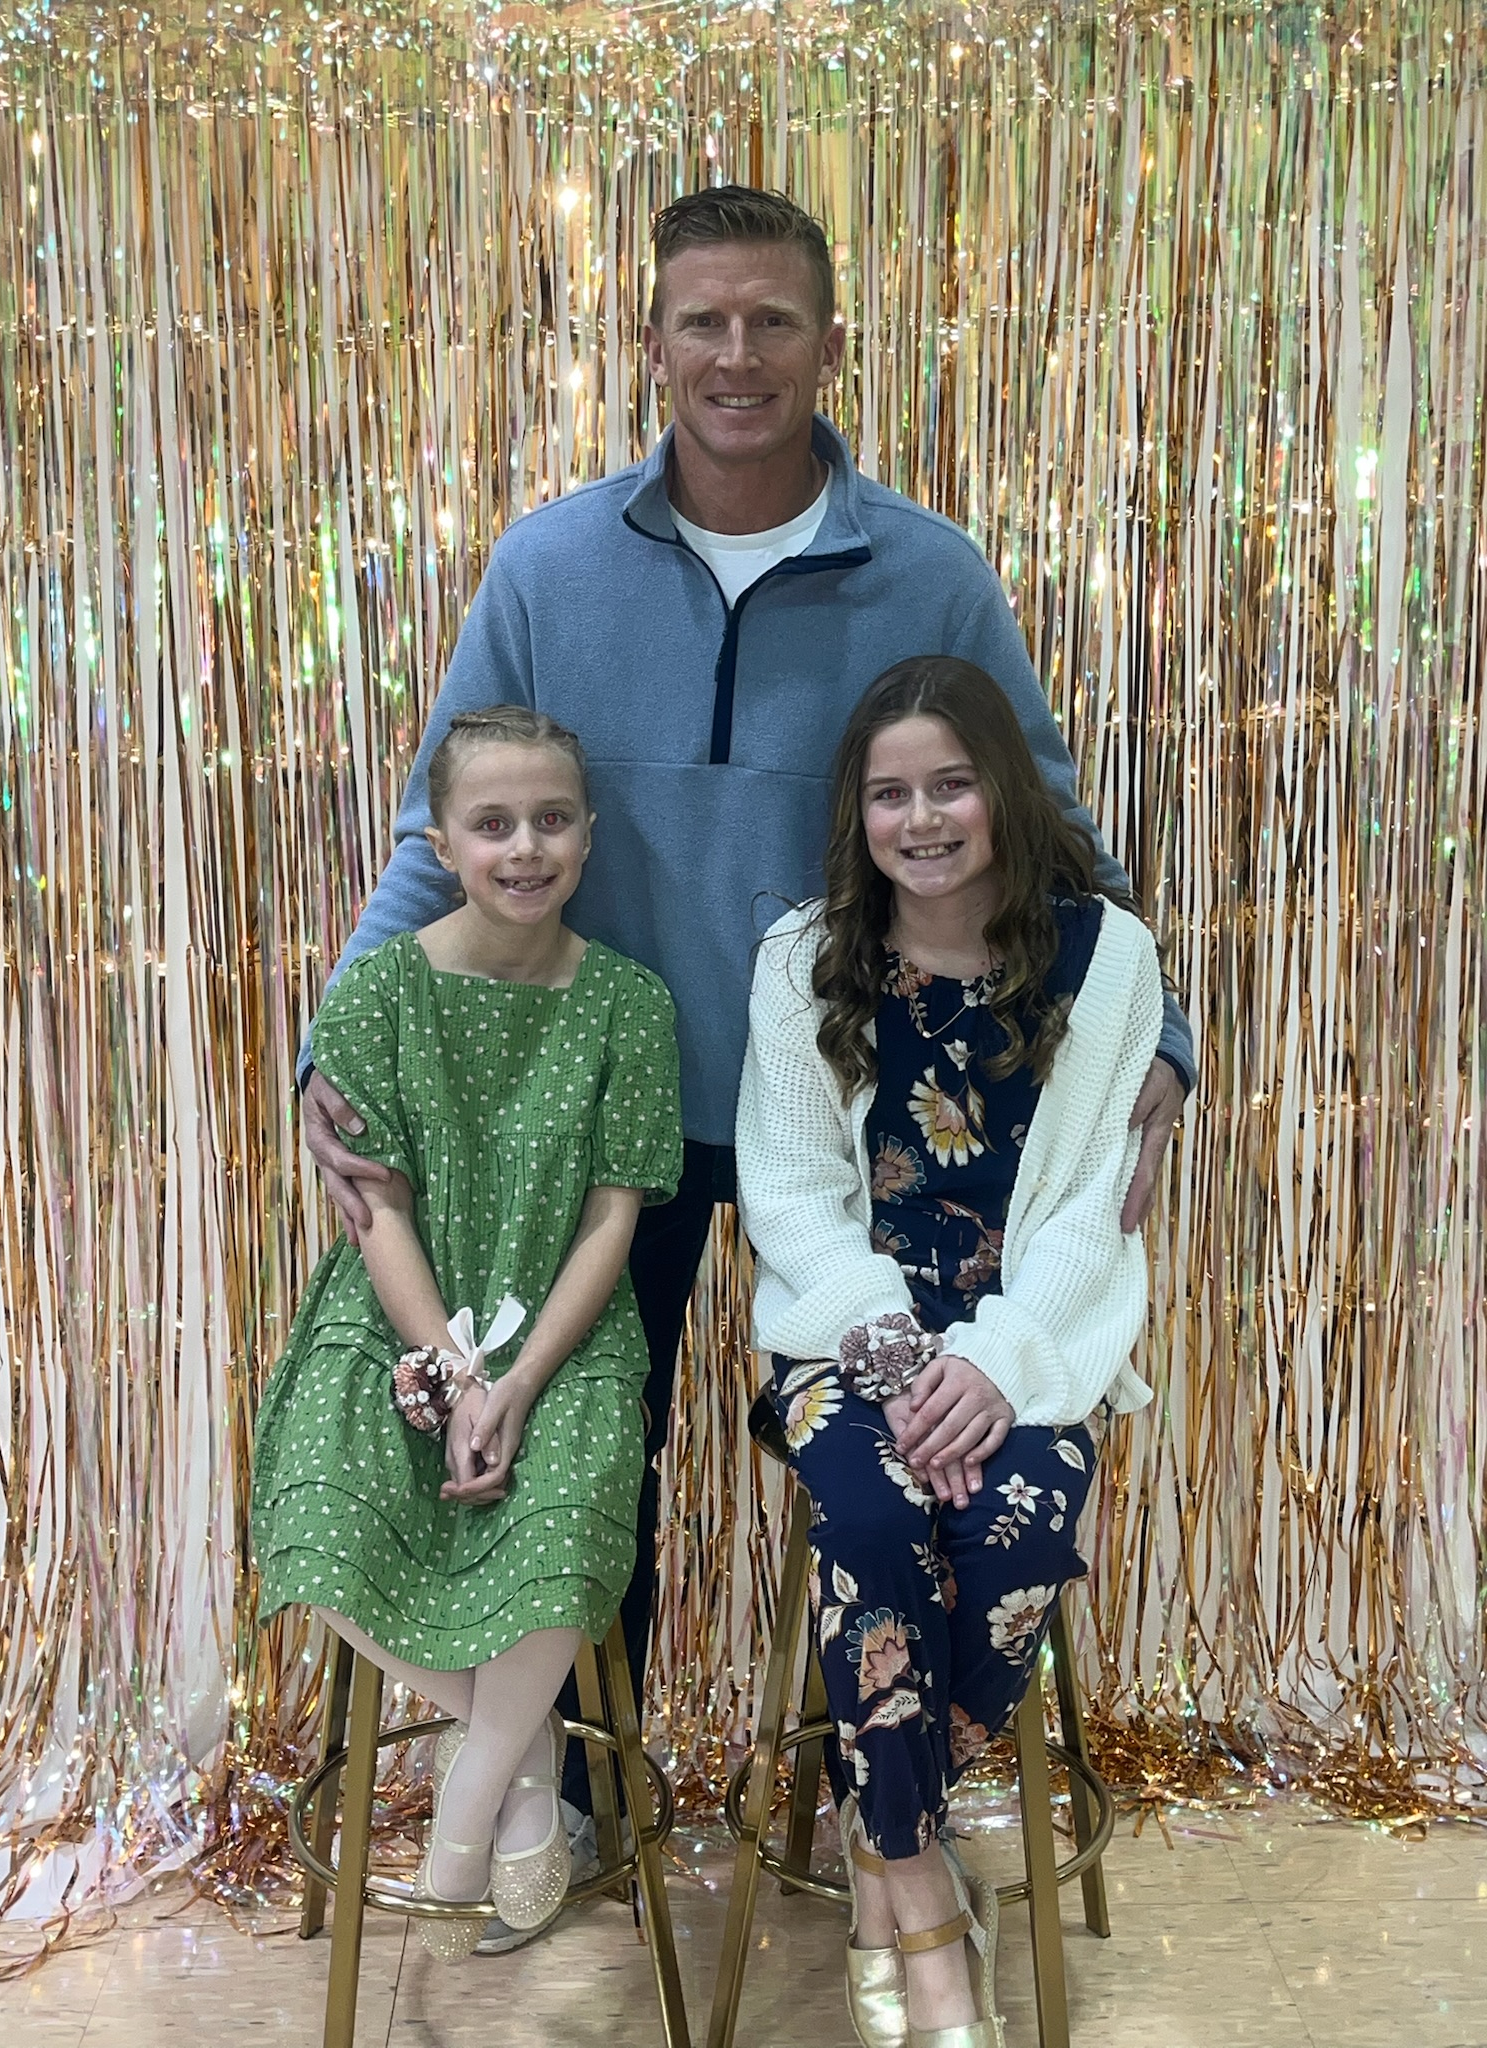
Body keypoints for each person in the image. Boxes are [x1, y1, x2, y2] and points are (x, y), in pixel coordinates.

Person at [295, 185, 1194, 1937]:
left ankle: (883, 1797)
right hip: (589, 1114)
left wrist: (1156, 1026)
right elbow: (437, 829)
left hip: (849, 1131)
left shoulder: (930, 571)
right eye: (701, 319)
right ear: (649, 343)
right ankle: (569, 1798)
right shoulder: (548, 567)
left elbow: (1044, 817)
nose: (735, 353)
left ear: (829, 344)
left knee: (883, 1464)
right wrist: (338, 1040)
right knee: (584, 1453)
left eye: (771, 319)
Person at [735, 656, 1164, 2048]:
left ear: (1004, 792)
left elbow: (1094, 1202)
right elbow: (790, 1192)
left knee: (1015, 1538)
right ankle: (921, 1905)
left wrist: (997, 1359)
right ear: (856, 813)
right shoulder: (804, 958)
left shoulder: (1106, 958)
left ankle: (879, 1838)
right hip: (848, 1335)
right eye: (889, 794)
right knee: (871, 1524)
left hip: (1030, 1341)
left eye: (952, 785)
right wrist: (901, 1358)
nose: (920, 819)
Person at [252, 706, 682, 1957]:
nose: (525, 847)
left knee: (575, 1504)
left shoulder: (631, 1004)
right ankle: (522, 1759)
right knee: (316, 1497)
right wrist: (450, 1367)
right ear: (440, 843)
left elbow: (611, 1221)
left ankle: (464, 1808)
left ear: (589, 836)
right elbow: (376, 1208)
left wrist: (519, 1380)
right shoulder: (378, 991)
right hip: (403, 1311)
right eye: (493, 823)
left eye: (552, 819)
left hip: (564, 1329)